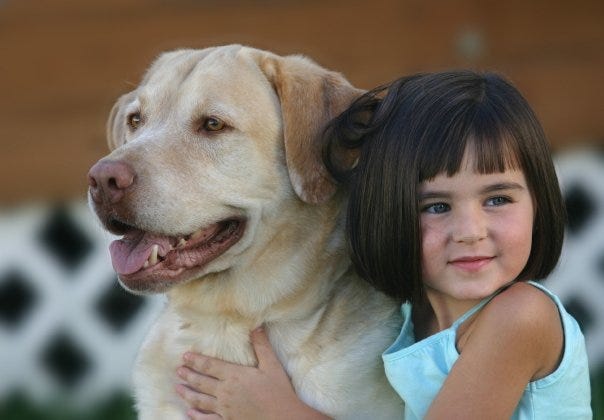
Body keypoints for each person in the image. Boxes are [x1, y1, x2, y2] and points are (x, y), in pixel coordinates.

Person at [173, 70, 592, 419]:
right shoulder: (410, 318)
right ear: (387, 211)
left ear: (539, 199)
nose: (470, 230)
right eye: (436, 205)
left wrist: (277, 410)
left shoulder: (520, 318)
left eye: (497, 199)